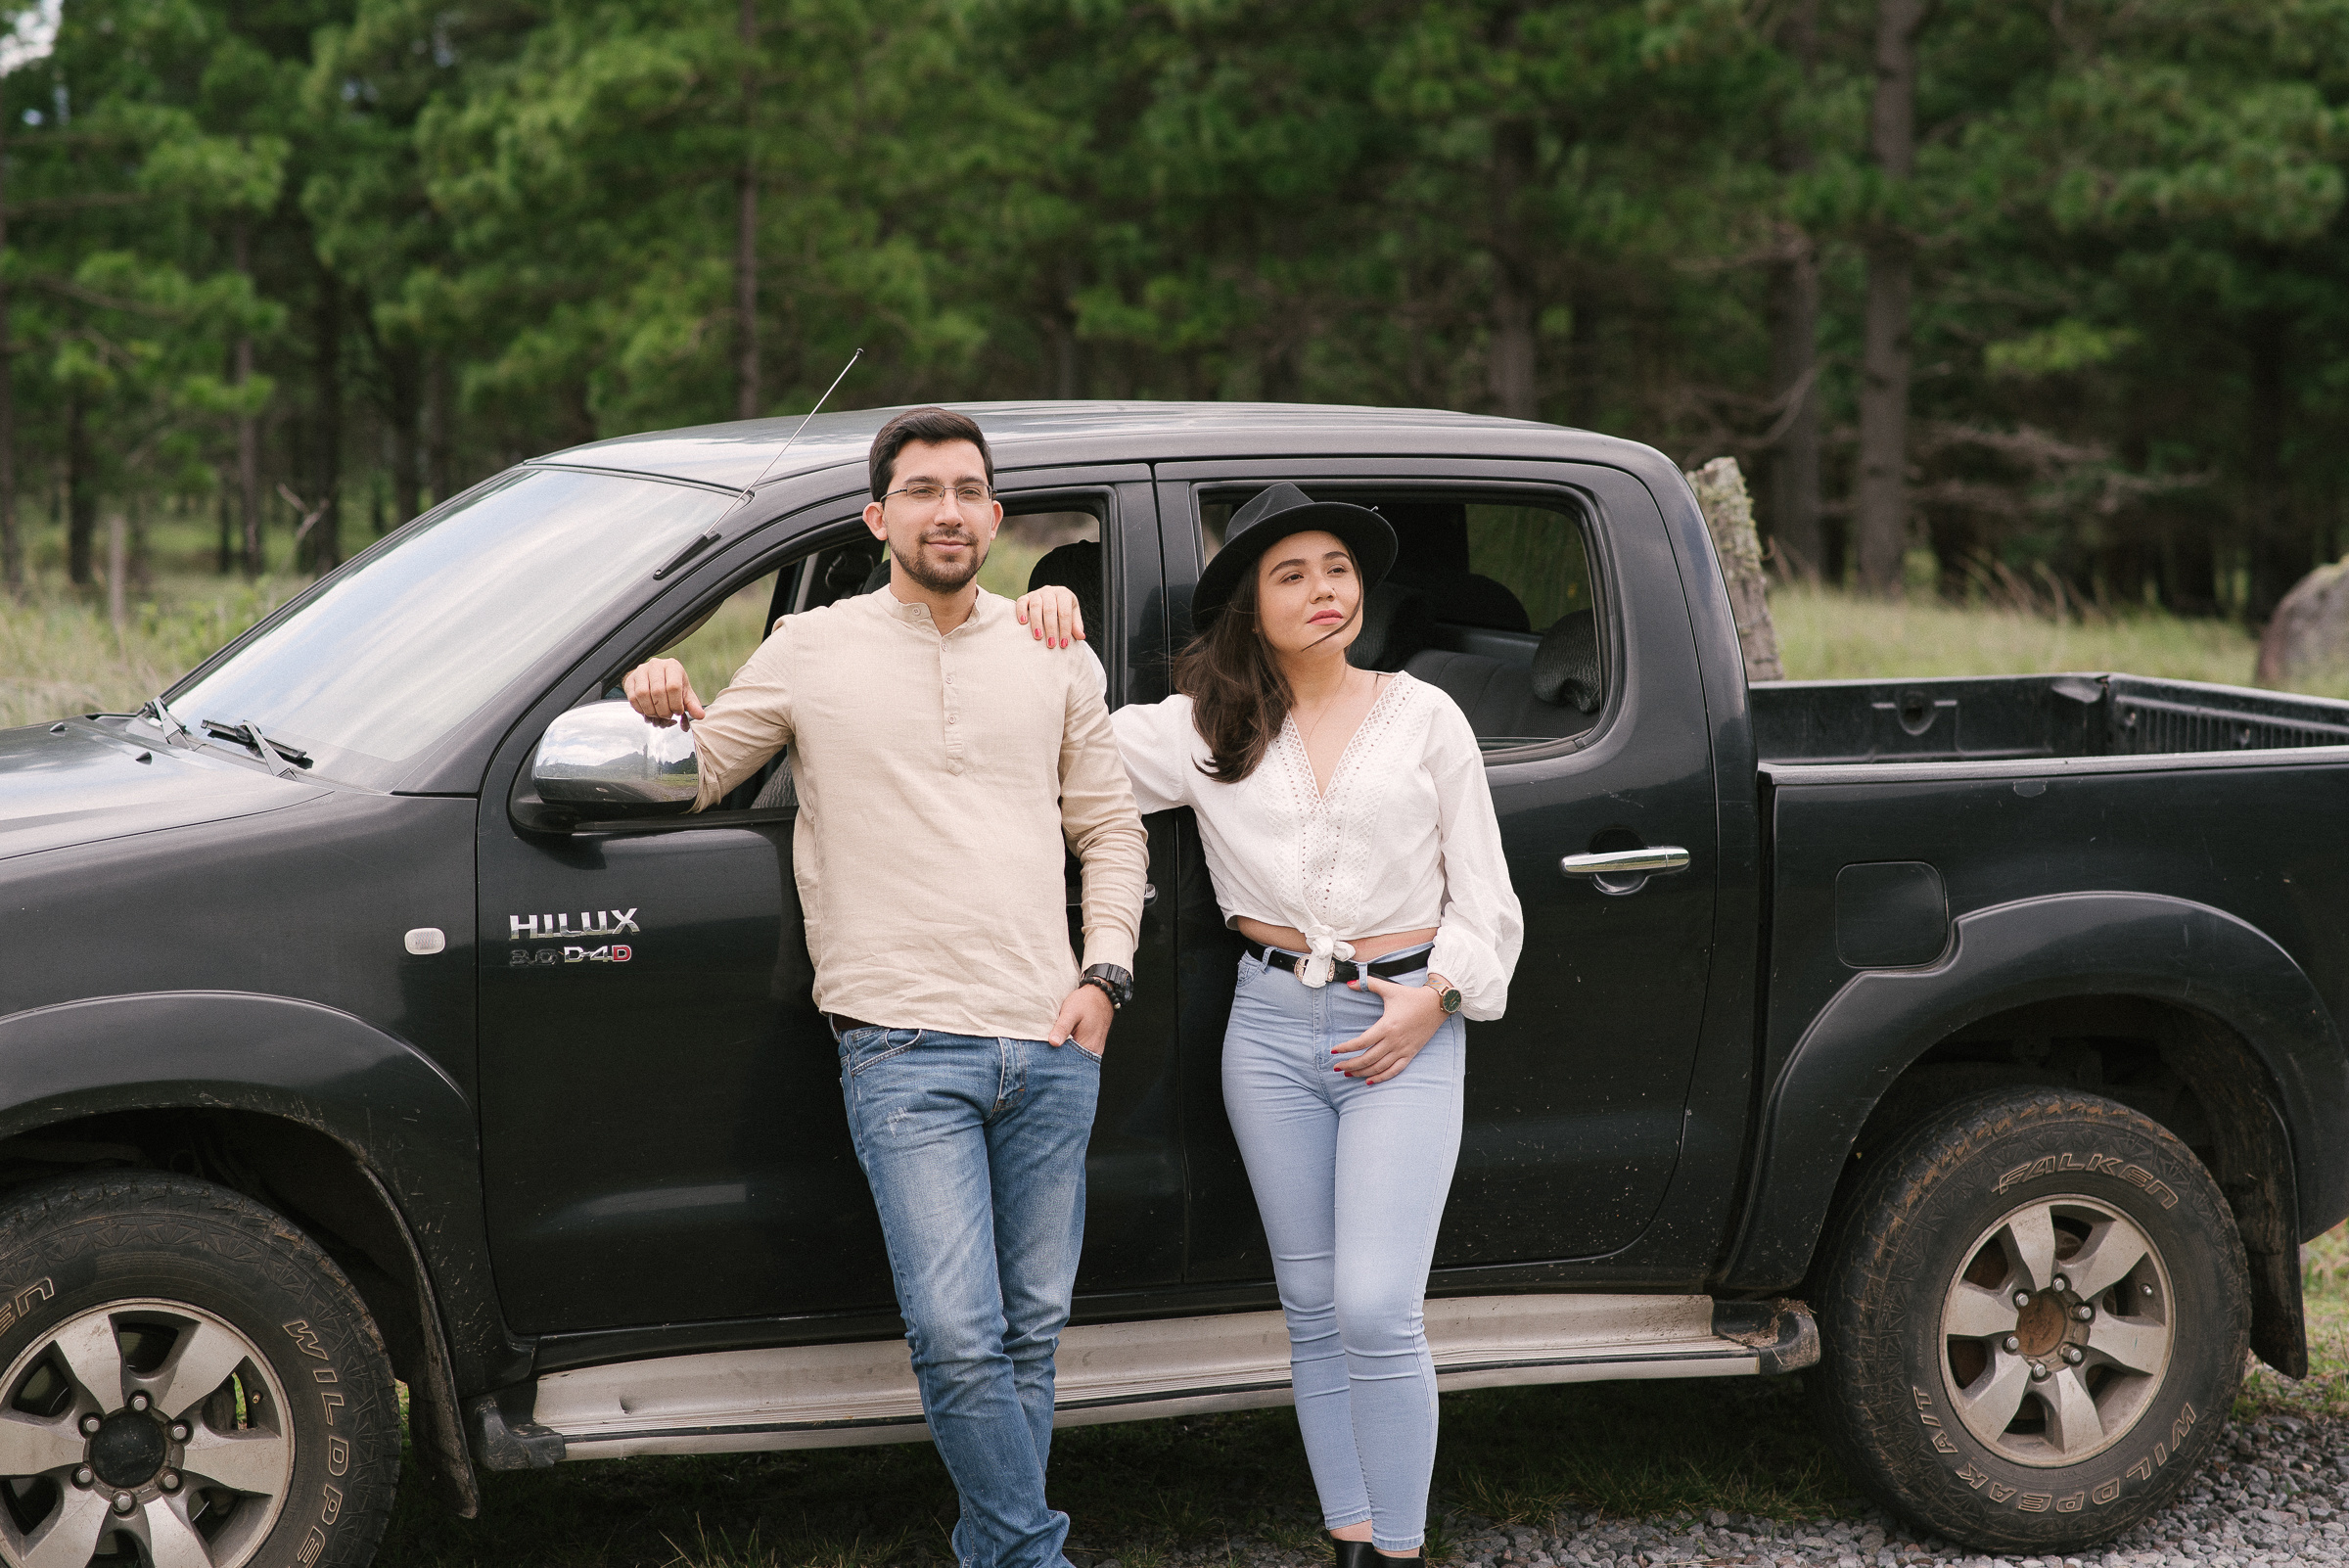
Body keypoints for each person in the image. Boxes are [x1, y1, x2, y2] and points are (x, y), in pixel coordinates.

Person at [623, 406, 1148, 1568]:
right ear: (878, 517)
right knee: (957, 1334)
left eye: (968, 491)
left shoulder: (1052, 650)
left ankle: (999, 1551)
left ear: (996, 518)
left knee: (1030, 1332)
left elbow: (1111, 828)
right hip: (903, 1044)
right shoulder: (813, 649)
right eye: (921, 491)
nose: (947, 510)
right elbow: (705, 773)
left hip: (1052, 1038)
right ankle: (1031, 1555)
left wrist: (1104, 972)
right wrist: (656, 698)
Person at [1016, 484, 1523, 1565]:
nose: (1323, 590)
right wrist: (1048, 636)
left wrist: (1435, 998)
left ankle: (1400, 1551)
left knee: (1379, 1307)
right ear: (1251, 604)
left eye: (1336, 567)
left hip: (1402, 1024)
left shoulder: (1424, 714)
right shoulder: (1207, 726)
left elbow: (1488, 903)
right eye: (1291, 574)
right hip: (1268, 1030)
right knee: (1310, 1303)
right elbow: (1062, 756)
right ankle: (1347, 1539)